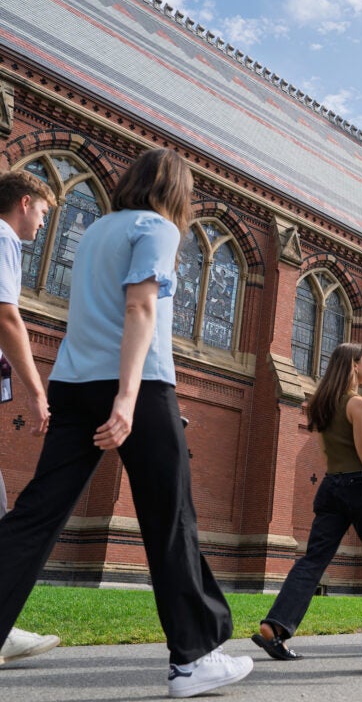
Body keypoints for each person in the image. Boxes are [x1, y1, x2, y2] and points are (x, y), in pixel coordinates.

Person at [0, 150, 253, 697]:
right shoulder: (157, 228)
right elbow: (140, 308)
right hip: (136, 385)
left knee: (37, 514)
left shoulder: (94, 230)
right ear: (176, 191)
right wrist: (129, 398)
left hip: (72, 381)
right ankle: (193, 659)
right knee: (171, 518)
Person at [252, 342, 362, 660]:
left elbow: (344, 449)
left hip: (332, 487)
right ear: (354, 365)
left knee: (312, 561)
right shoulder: (359, 404)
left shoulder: (324, 403)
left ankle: (276, 626)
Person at [0, 170, 61, 666]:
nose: (43, 225)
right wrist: (37, 390)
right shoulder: (2, 237)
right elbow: (6, 316)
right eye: (43, 213)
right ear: (25, 203)